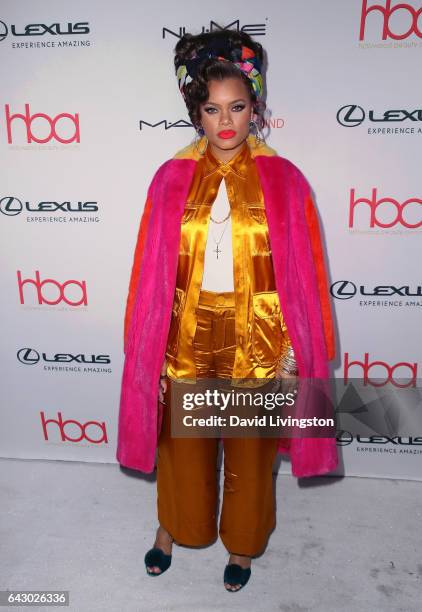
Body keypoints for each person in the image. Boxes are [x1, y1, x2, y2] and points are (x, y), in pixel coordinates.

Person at [116, 30, 337, 592]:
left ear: (255, 105)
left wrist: (296, 350)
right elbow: (149, 272)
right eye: (212, 109)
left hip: (259, 340)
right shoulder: (169, 178)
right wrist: (149, 349)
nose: (226, 122)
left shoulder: (285, 180)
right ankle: (172, 527)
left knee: (250, 456)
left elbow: (305, 277)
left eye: (237, 106)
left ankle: (242, 542)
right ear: (197, 113)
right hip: (186, 337)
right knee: (182, 452)